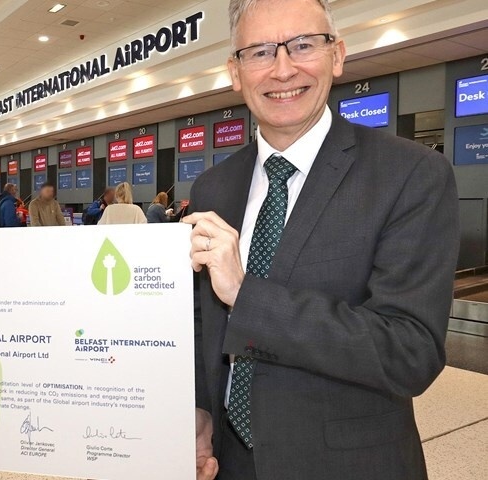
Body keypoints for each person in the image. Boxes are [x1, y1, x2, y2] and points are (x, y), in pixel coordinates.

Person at [184, 1, 459, 479]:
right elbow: (203, 325)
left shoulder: (410, 174)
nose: (283, 69)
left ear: (337, 56)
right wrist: (201, 411)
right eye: (260, 52)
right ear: (235, 72)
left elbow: (411, 352)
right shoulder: (213, 186)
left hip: (350, 464)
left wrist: (246, 297)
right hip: (229, 461)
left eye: (304, 45)